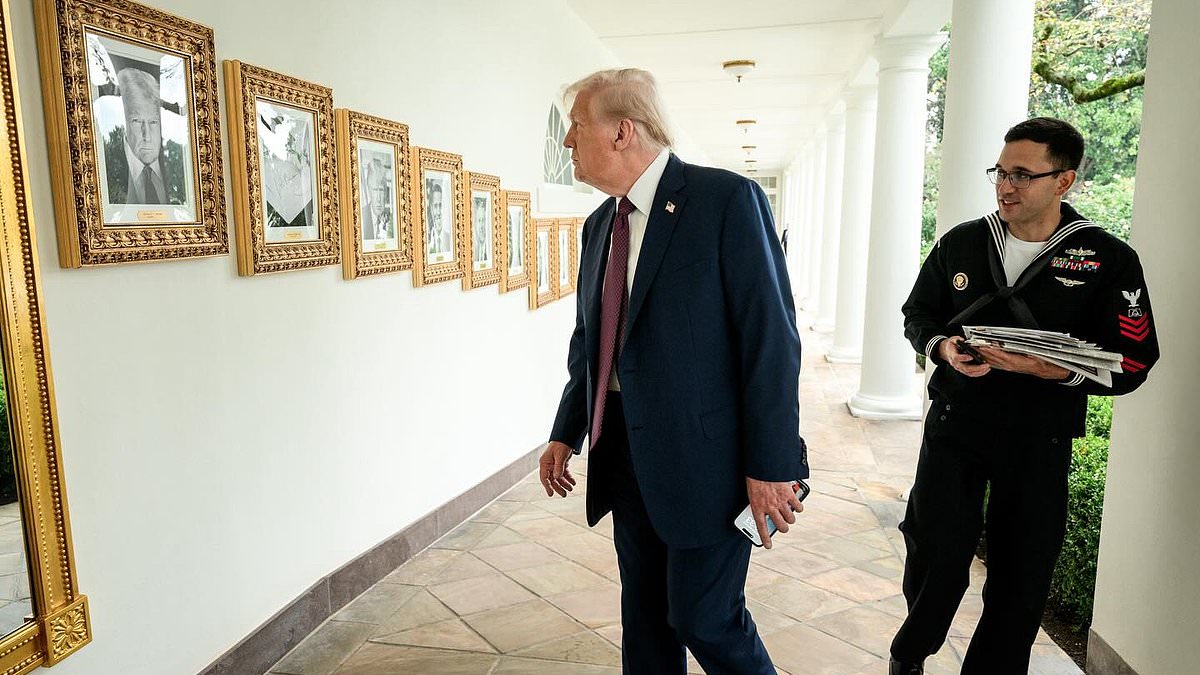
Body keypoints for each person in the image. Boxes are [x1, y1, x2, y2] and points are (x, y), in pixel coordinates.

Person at [541, 68, 807, 675]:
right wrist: (565, 431)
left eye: (575, 128)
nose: (566, 143)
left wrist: (772, 466)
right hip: (626, 456)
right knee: (646, 622)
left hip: (709, 462)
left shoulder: (725, 202)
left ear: (621, 132)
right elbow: (594, 341)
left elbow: (771, 341)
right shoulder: (598, 226)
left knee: (704, 617)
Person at [890, 117, 1159, 674]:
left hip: (1040, 437)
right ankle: (909, 656)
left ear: (1065, 181)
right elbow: (918, 314)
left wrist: (1052, 371)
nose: (1005, 186)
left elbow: (1133, 361)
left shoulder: (1107, 259)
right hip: (954, 426)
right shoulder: (963, 242)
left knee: (1022, 572)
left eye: (1022, 175)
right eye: (1000, 172)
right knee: (935, 552)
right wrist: (942, 348)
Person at [110, 68, 169, 205]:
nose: (147, 136)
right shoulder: (109, 171)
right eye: (136, 121)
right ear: (124, 124)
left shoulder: (182, 172)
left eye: (153, 122)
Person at [361, 157, 393, 241]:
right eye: (375, 190)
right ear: (369, 191)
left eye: (381, 190)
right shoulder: (361, 216)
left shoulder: (392, 219)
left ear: (385, 193)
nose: (378, 198)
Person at [425, 179, 451, 258]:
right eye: (435, 206)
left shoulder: (451, 239)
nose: (439, 212)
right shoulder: (427, 242)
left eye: (441, 205)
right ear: (432, 210)